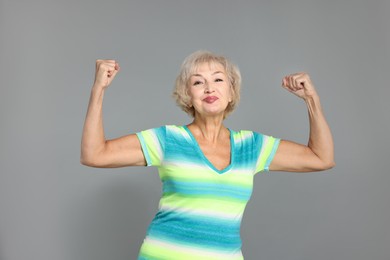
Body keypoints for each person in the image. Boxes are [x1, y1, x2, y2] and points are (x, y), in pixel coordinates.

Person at [80, 50, 334, 259]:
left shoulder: (252, 147)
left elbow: (321, 158)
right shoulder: (168, 140)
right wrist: (98, 90)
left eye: (218, 79)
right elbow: (94, 154)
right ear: (188, 96)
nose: (209, 87)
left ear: (232, 91)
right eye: (198, 82)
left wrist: (311, 100)